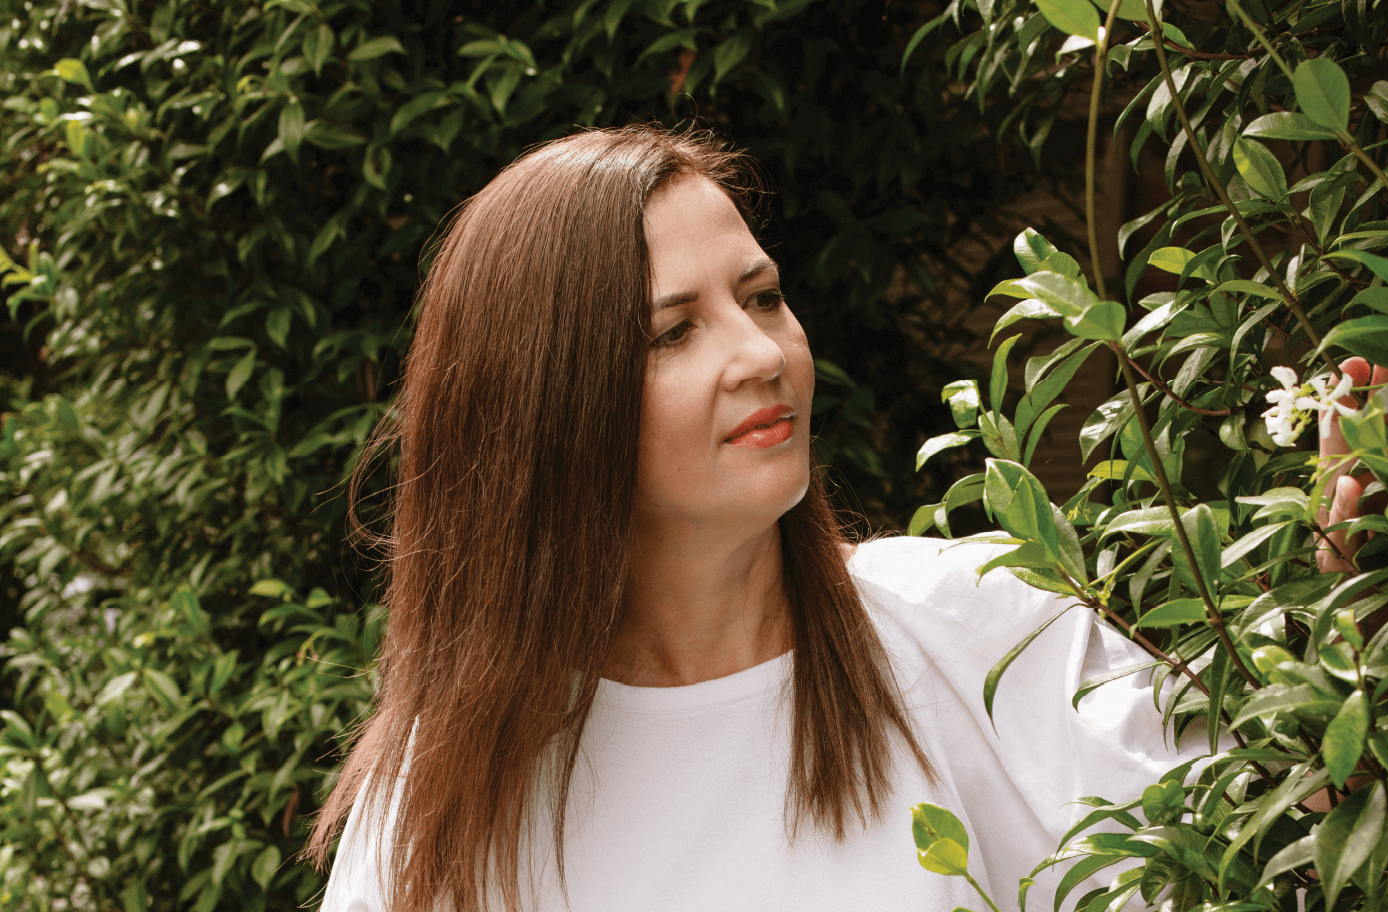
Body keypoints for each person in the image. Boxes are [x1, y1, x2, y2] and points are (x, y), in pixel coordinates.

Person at [308, 125, 1299, 912]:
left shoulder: (971, 626)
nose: (759, 354)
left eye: (764, 296)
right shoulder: (441, 797)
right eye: (672, 331)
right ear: (544, 409)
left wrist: (1358, 557)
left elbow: (1282, 823)